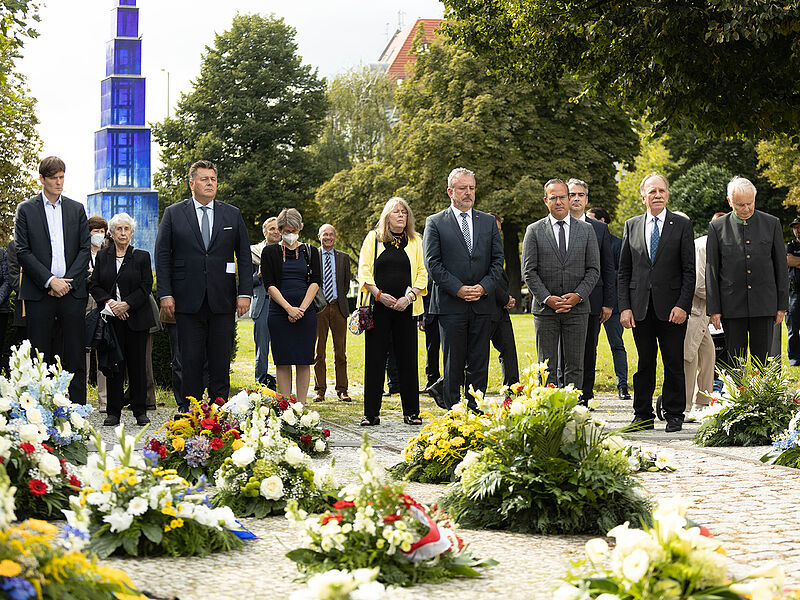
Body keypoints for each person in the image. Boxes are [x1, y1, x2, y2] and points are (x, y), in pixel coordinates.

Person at [155, 160, 252, 411]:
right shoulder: (174, 213)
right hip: (187, 301)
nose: (210, 183)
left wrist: (245, 294)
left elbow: (243, 255)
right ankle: (189, 412)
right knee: (190, 361)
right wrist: (165, 294)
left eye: (213, 179)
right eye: (204, 179)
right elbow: (163, 255)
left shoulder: (232, 214)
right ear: (191, 184)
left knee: (220, 361)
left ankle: (220, 413)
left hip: (222, 300)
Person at [618, 172, 695, 433]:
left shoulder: (681, 225)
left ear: (668, 195)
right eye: (652, 192)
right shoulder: (632, 225)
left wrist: (683, 305)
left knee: (674, 362)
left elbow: (689, 270)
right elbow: (624, 271)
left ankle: (675, 414)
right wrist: (625, 307)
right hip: (640, 308)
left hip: (673, 308)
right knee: (644, 363)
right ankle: (642, 415)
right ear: (643, 197)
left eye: (661, 191)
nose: (658, 195)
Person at [423, 168, 504, 412]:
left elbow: (497, 260)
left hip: (482, 303)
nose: (468, 193)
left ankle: (475, 408)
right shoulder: (435, 222)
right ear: (450, 191)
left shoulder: (488, 222)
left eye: (471, 188)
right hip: (451, 305)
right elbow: (432, 263)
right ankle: (453, 410)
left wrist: (483, 287)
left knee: (479, 361)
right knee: (453, 362)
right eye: (462, 188)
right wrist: (459, 289)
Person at [15, 156, 90, 404]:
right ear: (42, 179)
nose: (59, 183)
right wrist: (49, 281)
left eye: (62, 178)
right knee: (40, 356)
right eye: (54, 178)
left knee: (75, 355)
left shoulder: (76, 209)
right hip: (40, 293)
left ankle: (79, 412)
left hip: (72, 291)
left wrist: (67, 282)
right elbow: (23, 251)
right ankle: (40, 415)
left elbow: (84, 249)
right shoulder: (26, 209)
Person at [522, 178, 600, 388]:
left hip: (578, 309)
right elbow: (529, 272)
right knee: (545, 367)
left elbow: (593, 269)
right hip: (545, 310)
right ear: (545, 200)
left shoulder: (586, 230)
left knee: (575, 365)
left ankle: (573, 412)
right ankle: (548, 412)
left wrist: (577, 296)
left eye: (562, 197)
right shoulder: (534, 230)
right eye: (553, 197)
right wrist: (547, 298)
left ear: (568, 198)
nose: (559, 202)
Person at [358, 197, 428, 425]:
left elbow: (422, 272)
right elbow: (364, 271)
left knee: (408, 359)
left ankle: (411, 412)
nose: (400, 215)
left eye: (404, 212)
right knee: (375, 360)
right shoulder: (374, 239)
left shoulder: (416, 240)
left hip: (406, 308)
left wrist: (409, 297)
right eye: (396, 211)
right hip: (378, 307)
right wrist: (379, 295)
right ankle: (371, 414)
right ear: (387, 216)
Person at [706, 176, 788, 367]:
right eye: (740, 204)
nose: (746, 209)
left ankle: (762, 397)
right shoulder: (717, 228)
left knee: (764, 363)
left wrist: (781, 305)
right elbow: (712, 270)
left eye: (750, 203)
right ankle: (739, 397)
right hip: (731, 306)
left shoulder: (771, 223)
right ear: (729, 201)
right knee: (736, 362)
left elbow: (780, 268)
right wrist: (714, 309)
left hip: (764, 305)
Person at [89, 213, 155, 426]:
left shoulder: (142, 256)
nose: (123, 233)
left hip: (136, 318)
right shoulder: (103, 256)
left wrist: (126, 304)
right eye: (119, 229)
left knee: (137, 366)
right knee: (113, 366)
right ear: (112, 232)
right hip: (112, 320)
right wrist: (110, 303)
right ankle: (113, 412)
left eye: (127, 229)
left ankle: (140, 410)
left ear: (132, 232)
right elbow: (95, 285)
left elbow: (146, 286)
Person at [561, 179, 615, 403]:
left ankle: (585, 397)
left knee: (588, 350)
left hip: (593, 299)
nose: (575, 198)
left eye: (580, 195)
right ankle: (563, 395)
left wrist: (608, 303)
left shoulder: (599, 228)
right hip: (561, 299)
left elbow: (607, 266)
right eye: (571, 194)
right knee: (561, 351)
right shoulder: (556, 224)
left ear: (586, 199)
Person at [261, 208, 320, 402]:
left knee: (304, 361)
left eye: (293, 230)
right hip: (279, 312)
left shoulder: (311, 251)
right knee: (282, 361)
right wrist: (288, 308)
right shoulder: (270, 252)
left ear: (300, 228)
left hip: (306, 312)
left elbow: (315, 282)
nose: (289, 234)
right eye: (285, 231)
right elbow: (269, 284)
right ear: (279, 230)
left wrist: (301, 309)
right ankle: (285, 405)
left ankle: (301, 406)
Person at [587, 207, 630, 399]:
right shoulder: (586, 239)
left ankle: (622, 386)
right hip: (591, 303)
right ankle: (588, 387)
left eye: (592, 219)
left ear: (602, 220)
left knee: (617, 345)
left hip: (613, 304)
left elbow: (622, 273)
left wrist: (601, 273)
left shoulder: (618, 244)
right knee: (589, 346)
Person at [677, 211, 715, 418]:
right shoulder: (701, 246)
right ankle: (685, 406)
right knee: (689, 357)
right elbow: (699, 286)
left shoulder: (711, 243)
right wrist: (722, 299)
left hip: (702, 312)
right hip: (693, 310)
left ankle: (702, 402)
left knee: (708, 354)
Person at [313, 224, 352, 403]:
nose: (328, 237)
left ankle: (342, 390)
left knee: (340, 352)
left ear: (335, 237)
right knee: (318, 352)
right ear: (319, 236)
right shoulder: (313, 256)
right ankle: (319, 390)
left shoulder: (344, 258)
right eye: (325, 235)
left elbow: (345, 284)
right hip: (319, 307)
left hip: (338, 308)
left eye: (331, 235)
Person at [490, 214, 519, 387]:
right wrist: (504, 298)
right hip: (486, 308)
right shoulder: (479, 247)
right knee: (475, 356)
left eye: (499, 231)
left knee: (508, 349)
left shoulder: (496, 247)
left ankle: (513, 387)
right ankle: (444, 386)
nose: (497, 234)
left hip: (500, 310)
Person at [251, 217, 281, 384]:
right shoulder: (253, 253)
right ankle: (260, 385)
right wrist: (259, 274)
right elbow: (246, 282)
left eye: (278, 228)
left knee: (284, 348)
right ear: (264, 232)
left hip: (283, 306)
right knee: (261, 350)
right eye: (271, 229)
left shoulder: (287, 251)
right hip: (263, 305)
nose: (275, 231)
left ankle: (285, 386)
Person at [86, 216, 108, 411]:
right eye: (95, 230)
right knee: (84, 349)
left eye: (102, 231)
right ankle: (80, 396)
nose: (98, 234)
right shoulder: (82, 253)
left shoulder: (107, 253)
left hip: (102, 304)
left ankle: (104, 400)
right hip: (85, 304)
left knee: (103, 350)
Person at [418, 281, 440, 394]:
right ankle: (431, 383)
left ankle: (453, 383)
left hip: (449, 315)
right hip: (431, 316)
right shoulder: (426, 267)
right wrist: (421, 318)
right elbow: (422, 294)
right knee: (431, 351)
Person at [786, 217, 800, 366]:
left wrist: (797, 261)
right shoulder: (790, 245)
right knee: (793, 326)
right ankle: (795, 359)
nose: (798, 230)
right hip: (794, 292)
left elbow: (794, 261)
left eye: (799, 226)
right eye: (795, 227)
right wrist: (794, 261)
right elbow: (789, 261)